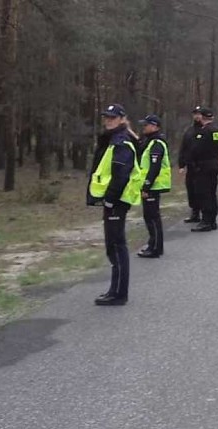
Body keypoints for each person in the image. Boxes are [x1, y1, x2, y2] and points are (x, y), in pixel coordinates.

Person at [87, 104, 142, 306]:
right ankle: (115, 289)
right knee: (113, 246)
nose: (108, 120)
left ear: (122, 119)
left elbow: (120, 176)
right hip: (113, 200)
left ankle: (119, 293)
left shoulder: (121, 142)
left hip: (117, 201)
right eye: (106, 117)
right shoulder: (113, 139)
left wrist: (109, 199)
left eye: (112, 117)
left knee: (117, 246)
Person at [136, 115, 171, 259]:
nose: (143, 127)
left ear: (155, 126)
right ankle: (153, 244)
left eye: (146, 125)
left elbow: (154, 167)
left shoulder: (156, 143)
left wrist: (146, 186)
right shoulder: (149, 141)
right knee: (149, 216)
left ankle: (156, 247)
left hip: (153, 186)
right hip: (150, 185)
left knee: (152, 217)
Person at [189, 107, 218, 232]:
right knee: (212, 192)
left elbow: (196, 149)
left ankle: (206, 221)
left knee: (204, 193)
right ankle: (212, 220)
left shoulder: (204, 131)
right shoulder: (217, 130)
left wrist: (192, 161)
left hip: (203, 165)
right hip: (214, 163)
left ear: (202, 117)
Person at [178, 106, 204, 224]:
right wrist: (181, 164)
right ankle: (194, 212)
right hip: (190, 166)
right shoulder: (189, 131)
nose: (197, 116)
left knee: (201, 190)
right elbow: (183, 148)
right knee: (191, 189)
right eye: (195, 114)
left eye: (199, 114)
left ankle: (205, 213)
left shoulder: (206, 129)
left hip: (202, 166)